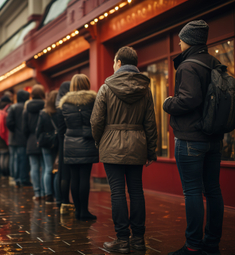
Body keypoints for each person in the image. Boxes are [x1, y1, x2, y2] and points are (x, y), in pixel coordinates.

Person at [163, 20, 223, 255]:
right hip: (213, 138)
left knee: (192, 192)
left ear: (190, 39)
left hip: (190, 139)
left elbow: (189, 99)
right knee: (213, 191)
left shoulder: (188, 66)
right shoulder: (214, 63)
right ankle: (211, 244)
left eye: (181, 37)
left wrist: (168, 103)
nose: (178, 41)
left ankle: (193, 246)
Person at [91, 46, 158, 253]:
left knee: (117, 193)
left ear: (119, 63)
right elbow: (150, 123)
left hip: (112, 145)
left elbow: (96, 121)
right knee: (136, 191)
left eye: (113, 62)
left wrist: (99, 142)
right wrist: (151, 149)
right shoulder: (145, 89)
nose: (113, 65)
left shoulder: (105, 88)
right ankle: (138, 239)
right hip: (138, 145)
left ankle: (122, 241)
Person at [58, 74, 99, 220]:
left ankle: (77, 211)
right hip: (87, 142)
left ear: (73, 85)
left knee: (74, 178)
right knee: (84, 178)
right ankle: (84, 212)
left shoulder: (64, 103)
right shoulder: (93, 101)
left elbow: (61, 126)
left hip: (70, 143)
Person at [22, 85, 46, 200]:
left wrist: (30, 137)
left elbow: (24, 128)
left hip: (31, 140)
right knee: (45, 167)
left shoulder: (27, 109)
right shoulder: (46, 106)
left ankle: (37, 193)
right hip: (44, 139)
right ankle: (46, 191)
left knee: (34, 167)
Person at [36, 90, 59, 204]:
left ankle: (47, 194)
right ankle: (55, 194)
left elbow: (38, 130)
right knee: (56, 169)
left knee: (47, 168)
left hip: (45, 143)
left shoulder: (43, 113)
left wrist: (38, 140)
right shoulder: (59, 112)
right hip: (57, 142)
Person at [55, 82, 74, 214]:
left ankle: (62, 201)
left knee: (63, 173)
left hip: (62, 143)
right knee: (69, 174)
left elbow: (60, 129)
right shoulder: (70, 106)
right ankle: (65, 201)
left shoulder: (58, 106)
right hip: (70, 142)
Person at [7, 90, 31, 187]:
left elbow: (9, 122)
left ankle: (16, 178)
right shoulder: (26, 107)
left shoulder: (13, 107)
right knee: (23, 160)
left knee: (15, 159)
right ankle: (23, 179)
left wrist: (14, 130)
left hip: (13, 137)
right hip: (24, 138)